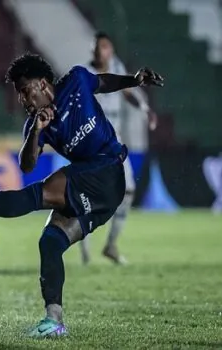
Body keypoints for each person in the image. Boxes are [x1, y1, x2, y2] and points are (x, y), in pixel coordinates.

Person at [0, 53, 163, 337]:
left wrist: (133, 81)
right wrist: (36, 131)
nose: (23, 101)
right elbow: (27, 164)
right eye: (20, 95)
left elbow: (102, 82)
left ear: (41, 84)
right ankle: (54, 320)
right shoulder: (37, 124)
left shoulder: (76, 81)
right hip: (99, 195)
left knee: (40, 194)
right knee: (50, 242)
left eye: (25, 92)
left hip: (107, 170)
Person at [80, 32, 158, 265]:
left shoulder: (116, 67)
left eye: (104, 47)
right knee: (89, 196)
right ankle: (83, 243)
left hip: (114, 142)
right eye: (96, 47)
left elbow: (128, 93)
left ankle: (111, 245)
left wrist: (144, 108)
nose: (99, 51)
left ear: (110, 51)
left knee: (128, 192)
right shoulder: (84, 74)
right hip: (92, 143)